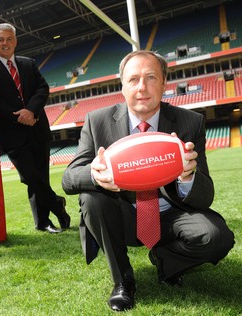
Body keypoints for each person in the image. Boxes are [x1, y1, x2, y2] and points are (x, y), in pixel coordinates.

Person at [62, 50, 234, 311]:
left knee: (216, 237)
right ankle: (123, 280)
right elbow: (69, 178)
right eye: (133, 79)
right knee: (91, 195)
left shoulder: (190, 122)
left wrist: (187, 175)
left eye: (151, 77)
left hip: (171, 216)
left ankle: (165, 261)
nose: (141, 87)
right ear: (122, 86)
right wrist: (96, 175)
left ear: (164, 83)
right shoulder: (97, 121)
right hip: (122, 218)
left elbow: (205, 195)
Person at [0, 23, 70, 233]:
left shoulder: (28, 63)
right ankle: (57, 204)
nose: (5, 43)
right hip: (12, 133)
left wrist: (31, 111)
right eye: (0, 40)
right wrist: (17, 117)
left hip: (37, 128)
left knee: (40, 177)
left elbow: (42, 88)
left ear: (15, 42)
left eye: (9, 39)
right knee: (29, 176)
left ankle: (42, 222)